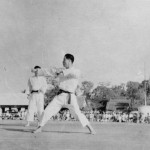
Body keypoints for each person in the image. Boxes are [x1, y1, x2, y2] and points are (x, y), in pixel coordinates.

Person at [33, 54, 96, 134]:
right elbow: (49, 71)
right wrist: (38, 71)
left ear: (69, 61)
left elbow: (69, 73)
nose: (62, 62)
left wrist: (59, 73)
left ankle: (90, 128)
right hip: (60, 95)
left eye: (64, 60)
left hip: (70, 97)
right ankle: (39, 127)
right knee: (47, 111)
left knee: (77, 114)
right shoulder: (61, 70)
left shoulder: (76, 71)